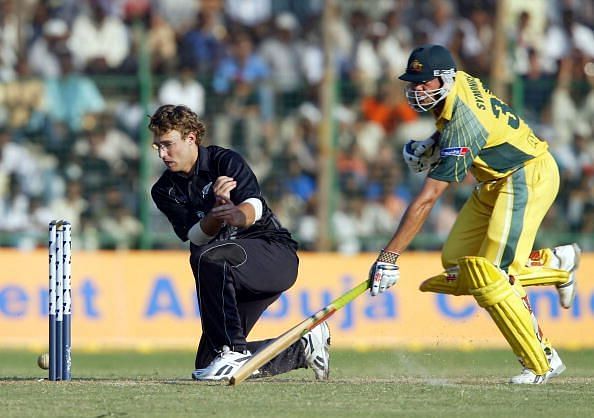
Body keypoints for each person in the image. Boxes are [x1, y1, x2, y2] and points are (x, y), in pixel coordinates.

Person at [368, 44, 581, 384]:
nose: (416, 90)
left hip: (525, 176)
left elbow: (429, 198)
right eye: (414, 83)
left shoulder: (466, 121)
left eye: (424, 83)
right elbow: (455, 125)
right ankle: (557, 264)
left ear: (446, 80)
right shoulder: (457, 85)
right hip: (494, 181)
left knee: (492, 276)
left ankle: (542, 361)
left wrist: (389, 257)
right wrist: (433, 143)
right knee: (457, 261)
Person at [148, 104, 330, 381]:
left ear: (191, 137)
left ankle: (233, 350)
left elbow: (253, 206)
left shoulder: (224, 161)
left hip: (271, 254)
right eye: (157, 147)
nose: (163, 154)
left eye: (168, 144)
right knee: (208, 365)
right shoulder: (164, 189)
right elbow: (195, 236)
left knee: (208, 258)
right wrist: (217, 215)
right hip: (226, 274)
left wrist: (235, 213)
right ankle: (301, 347)